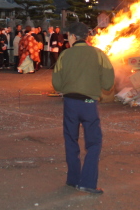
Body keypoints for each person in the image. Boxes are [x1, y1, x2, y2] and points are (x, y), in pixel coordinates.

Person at [51, 26, 114, 195]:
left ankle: (73, 179)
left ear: (73, 36)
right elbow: (108, 82)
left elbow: (56, 83)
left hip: (70, 102)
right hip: (88, 102)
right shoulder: (98, 53)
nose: (67, 40)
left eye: (68, 37)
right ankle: (87, 182)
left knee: (71, 140)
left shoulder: (65, 54)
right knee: (94, 142)